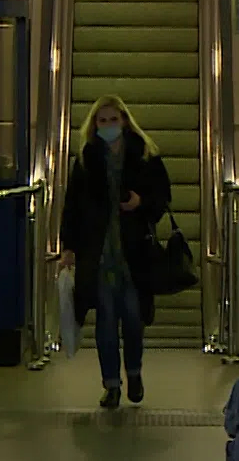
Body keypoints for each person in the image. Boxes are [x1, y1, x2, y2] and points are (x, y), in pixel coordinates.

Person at [60, 95, 171, 409]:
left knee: (134, 318)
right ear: (94, 125)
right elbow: (72, 208)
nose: (108, 126)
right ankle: (111, 384)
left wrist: (141, 202)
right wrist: (68, 248)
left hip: (133, 251)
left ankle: (134, 372)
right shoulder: (86, 159)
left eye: (113, 119)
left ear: (125, 120)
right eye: (102, 121)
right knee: (106, 319)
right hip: (98, 252)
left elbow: (162, 195)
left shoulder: (145, 155)